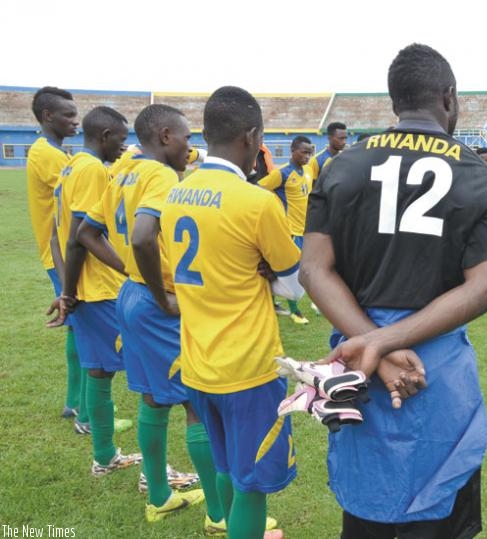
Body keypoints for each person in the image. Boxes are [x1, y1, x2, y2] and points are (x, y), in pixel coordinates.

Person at [300, 43, 487, 538]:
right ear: (449, 98)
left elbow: (313, 271)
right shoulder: (482, 176)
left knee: (365, 510)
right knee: (438, 510)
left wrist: (373, 342)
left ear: (396, 100)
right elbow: (484, 288)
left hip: (358, 357)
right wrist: (384, 344)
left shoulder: (342, 166)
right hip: (434, 362)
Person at [76, 104, 254, 532]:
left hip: (130, 297)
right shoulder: (158, 174)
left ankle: (158, 497)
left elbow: (86, 232)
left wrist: (134, 275)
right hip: (158, 304)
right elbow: (141, 236)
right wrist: (161, 294)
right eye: (187, 137)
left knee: (154, 400)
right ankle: (219, 515)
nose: (191, 145)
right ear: (165, 136)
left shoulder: (121, 170)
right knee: (197, 405)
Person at [160, 86, 301, 539]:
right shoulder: (257, 202)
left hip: (198, 362)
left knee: (225, 465)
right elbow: (296, 283)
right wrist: (266, 274)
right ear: (252, 137)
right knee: (252, 484)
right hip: (249, 368)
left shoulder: (175, 195)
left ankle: (224, 522)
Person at [46, 106, 142, 475]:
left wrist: (67, 288)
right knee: (155, 371)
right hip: (98, 289)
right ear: (104, 136)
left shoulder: (70, 166)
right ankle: (148, 475)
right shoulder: (88, 169)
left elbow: (58, 231)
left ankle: (104, 456)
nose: (124, 144)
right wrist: (70, 291)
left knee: (99, 371)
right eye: (121, 137)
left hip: (83, 289)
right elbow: (80, 235)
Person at [26, 86, 86, 425]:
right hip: (62, 253)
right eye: (68, 115)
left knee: (78, 327)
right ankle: (83, 409)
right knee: (83, 326)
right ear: (48, 116)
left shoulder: (56, 153)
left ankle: (74, 402)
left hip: (64, 250)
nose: (75, 121)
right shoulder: (45, 154)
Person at [259, 136, 313, 324]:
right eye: (304, 152)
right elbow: (259, 189)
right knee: (293, 272)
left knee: (300, 270)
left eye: (309, 153)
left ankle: (273, 303)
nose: (307, 156)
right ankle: (295, 311)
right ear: (293, 151)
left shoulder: (306, 171)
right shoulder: (282, 173)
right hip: (289, 230)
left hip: (304, 229)